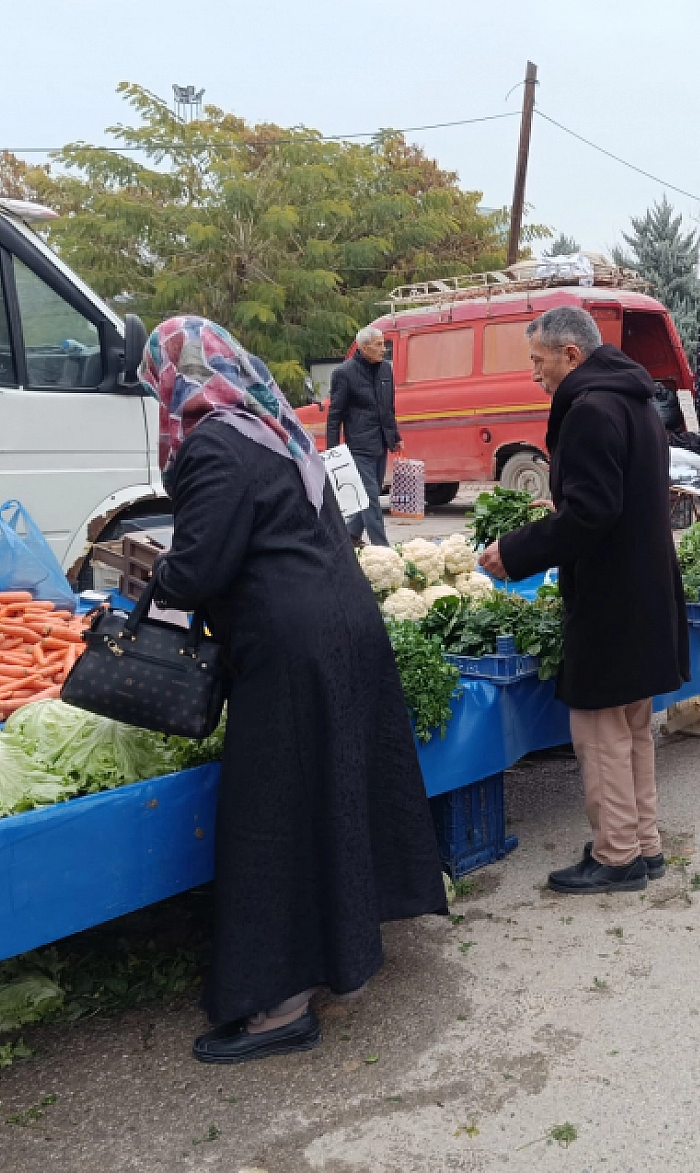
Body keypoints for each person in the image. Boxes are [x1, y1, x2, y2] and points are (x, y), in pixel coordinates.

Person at [140, 317, 445, 1064]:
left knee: (272, 810)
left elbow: (203, 565)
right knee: (327, 792)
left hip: (290, 644)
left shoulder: (214, 441)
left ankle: (279, 1005)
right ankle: (339, 957)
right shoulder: (272, 431)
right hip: (339, 625)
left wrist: (153, 580)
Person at [478, 306, 689, 895]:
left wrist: (516, 551)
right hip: (643, 587)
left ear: (571, 354)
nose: (534, 373)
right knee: (632, 725)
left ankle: (617, 855)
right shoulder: (634, 400)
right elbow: (613, 500)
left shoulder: (592, 409)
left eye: (538, 360)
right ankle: (643, 845)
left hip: (611, 597)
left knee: (599, 728)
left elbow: (592, 516)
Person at [324, 328, 400, 545]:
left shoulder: (386, 370)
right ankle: (382, 547)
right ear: (363, 347)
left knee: (371, 491)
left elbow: (389, 408)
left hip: (381, 443)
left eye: (383, 344)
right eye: (378, 345)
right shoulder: (344, 373)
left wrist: (395, 436)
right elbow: (334, 415)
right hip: (358, 446)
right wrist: (333, 449)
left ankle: (350, 535)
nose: (383, 350)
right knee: (370, 498)